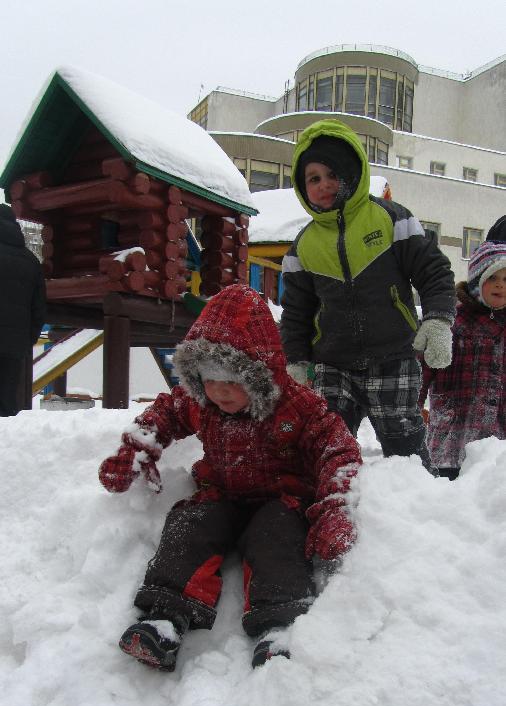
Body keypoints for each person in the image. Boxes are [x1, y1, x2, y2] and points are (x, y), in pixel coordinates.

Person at [99, 284, 362, 671]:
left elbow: (337, 450)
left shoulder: (297, 406)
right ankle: (165, 618)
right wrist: (136, 450)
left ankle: (278, 625)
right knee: (189, 524)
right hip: (220, 492)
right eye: (209, 380)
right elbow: (163, 415)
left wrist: (335, 505)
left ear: (260, 374)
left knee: (277, 536)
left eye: (232, 382)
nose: (219, 393)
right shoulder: (201, 403)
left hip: (280, 498)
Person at [280, 120, 456, 469]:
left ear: (350, 172)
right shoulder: (303, 247)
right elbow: (296, 313)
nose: (324, 185)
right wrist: (297, 362)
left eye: (331, 173)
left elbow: (433, 271)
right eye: (313, 178)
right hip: (332, 364)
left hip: (393, 355)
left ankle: (414, 507)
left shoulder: (391, 220)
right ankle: (333, 506)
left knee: (404, 446)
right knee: (327, 444)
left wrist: (437, 320)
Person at [419, 241, 506, 479]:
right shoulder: (452, 321)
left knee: (489, 500)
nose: (500, 284)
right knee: (448, 502)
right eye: (492, 277)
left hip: (499, 444)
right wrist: (413, 405)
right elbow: (423, 368)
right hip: (452, 436)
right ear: (477, 282)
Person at [0, 204, 46, 416]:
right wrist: (27, 340)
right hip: (15, 345)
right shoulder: (31, 261)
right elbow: (39, 310)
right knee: (7, 401)